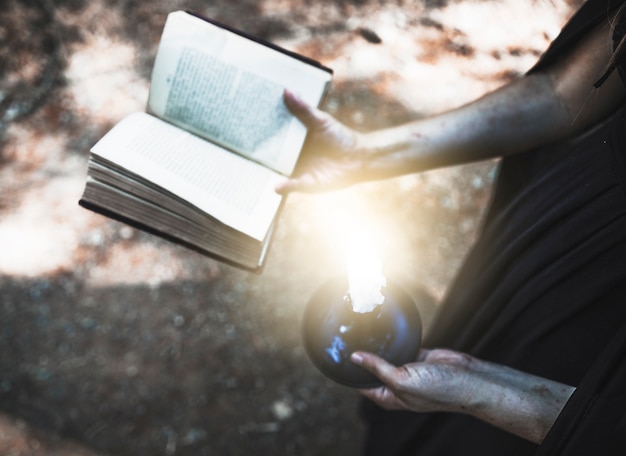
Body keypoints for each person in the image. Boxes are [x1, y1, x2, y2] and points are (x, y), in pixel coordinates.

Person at [276, 0, 626, 454]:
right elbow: (564, 94)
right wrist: (367, 154)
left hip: (607, 319)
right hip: (566, 219)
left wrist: (479, 394)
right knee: (475, 331)